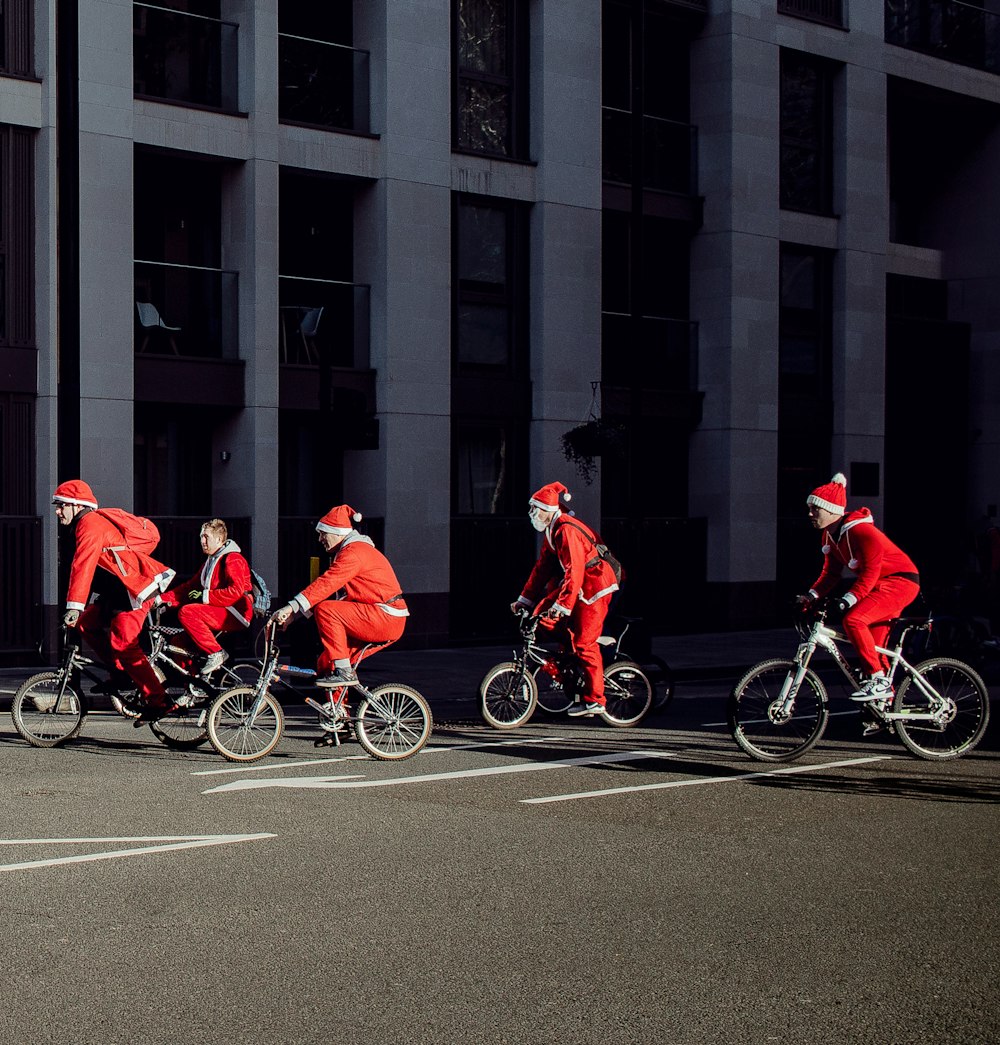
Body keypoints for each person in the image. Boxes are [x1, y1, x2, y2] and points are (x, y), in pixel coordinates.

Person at [53, 479, 176, 722]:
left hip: (136, 589)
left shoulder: (89, 524)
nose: (57, 511)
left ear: (77, 506)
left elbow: (83, 566)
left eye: (61, 505)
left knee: (124, 644)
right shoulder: (80, 525)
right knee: (87, 623)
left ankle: (159, 700)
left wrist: (74, 606)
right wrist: (78, 611)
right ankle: (120, 674)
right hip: (116, 591)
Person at [797, 472, 921, 702]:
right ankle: (883, 705)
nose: (810, 514)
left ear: (833, 509)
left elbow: (871, 572)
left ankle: (879, 682)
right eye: (810, 508)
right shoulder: (828, 537)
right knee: (871, 647)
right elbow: (831, 573)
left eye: (816, 509)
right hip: (880, 585)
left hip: (900, 582)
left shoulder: (862, 531)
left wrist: (848, 599)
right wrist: (810, 596)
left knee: (854, 620)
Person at [270, 504, 408, 689]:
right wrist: (294, 616)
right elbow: (333, 593)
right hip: (380, 615)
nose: (320, 539)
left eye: (323, 533)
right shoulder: (350, 552)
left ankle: (344, 672)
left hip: (385, 616)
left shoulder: (354, 552)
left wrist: (290, 607)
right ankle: (339, 714)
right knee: (328, 662)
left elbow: (327, 584)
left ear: (337, 532)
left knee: (327, 610)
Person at [511, 481, 619, 717]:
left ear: (547, 510)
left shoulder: (566, 530)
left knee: (584, 642)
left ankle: (596, 700)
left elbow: (575, 570)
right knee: (540, 616)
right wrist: (525, 601)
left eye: (534, 509)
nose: (531, 514)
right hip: (577, 586)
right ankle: (574, 660)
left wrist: (563, 606)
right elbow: (542, 569)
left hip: (595, 586)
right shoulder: (552, 531)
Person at [159, 518, 252, 675]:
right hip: (220, 610)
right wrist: (161, 599)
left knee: (188, 612)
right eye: (201, 536)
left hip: (236, 612)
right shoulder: (210, 561)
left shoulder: (233, 559)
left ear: (219, 539)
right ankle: (193, 687)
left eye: (206, 537)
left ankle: (216, 653)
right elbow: (190, 587)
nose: (202, 541)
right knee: (178, 643)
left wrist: (205, 595)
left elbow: (236, 591)